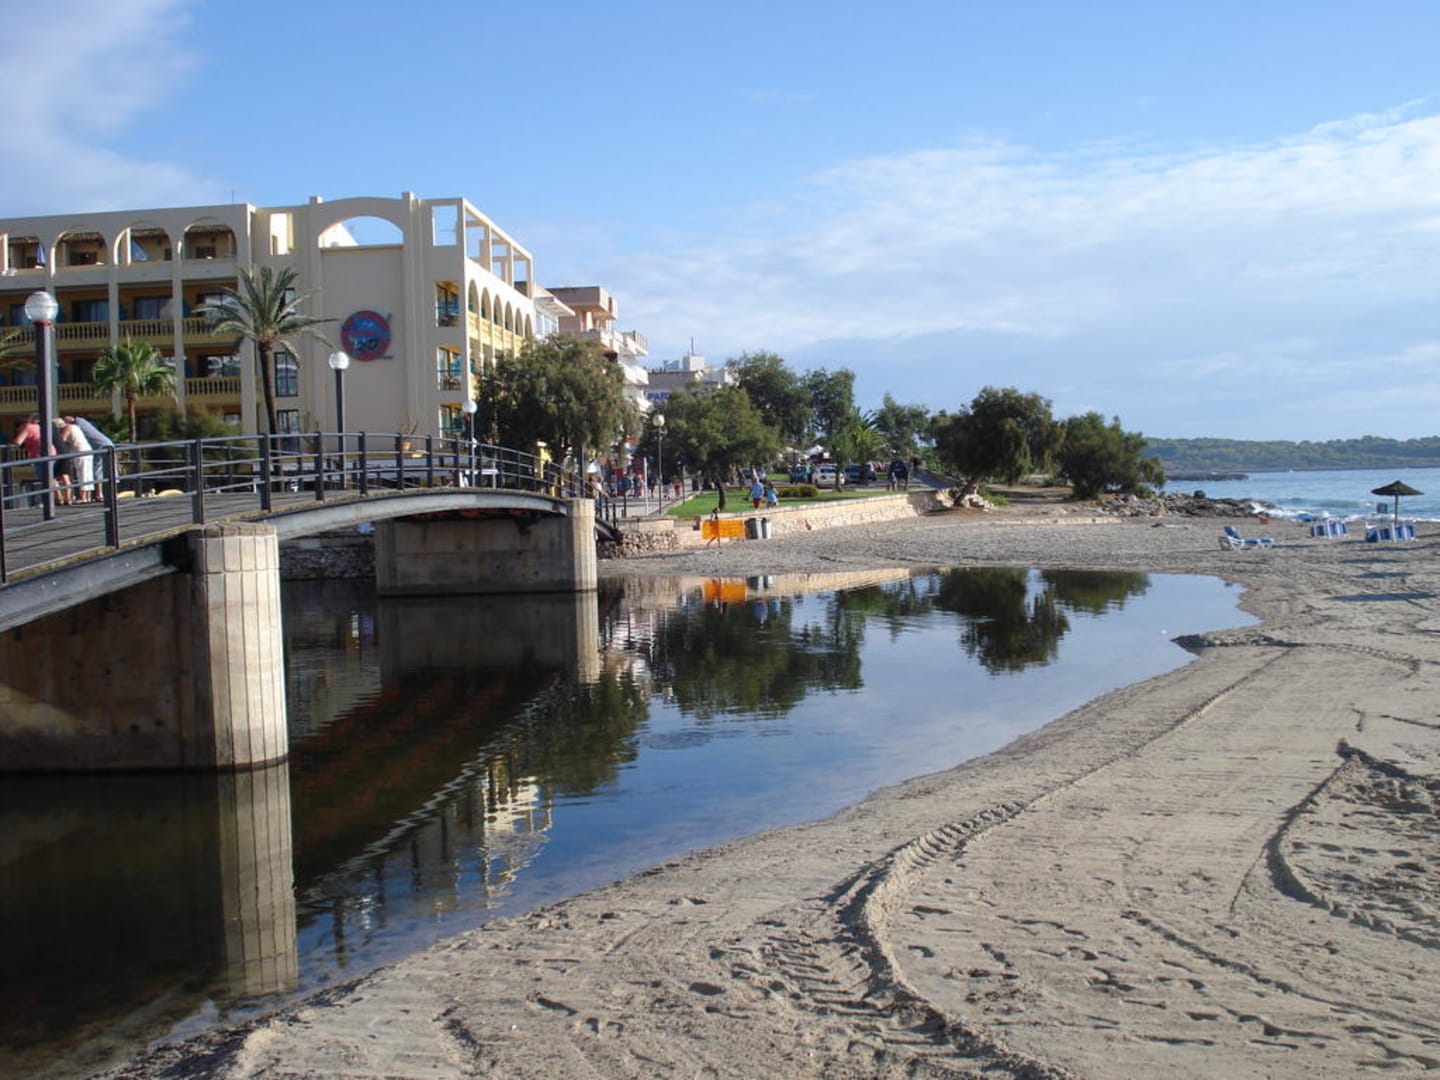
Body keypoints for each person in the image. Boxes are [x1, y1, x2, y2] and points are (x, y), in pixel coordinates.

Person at [69, 415, 114, 498]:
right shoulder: (84, 423)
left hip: (100, 447)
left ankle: (99, 494)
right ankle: (106, 494)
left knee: (97, 470)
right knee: (108, 471)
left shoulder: (76, 425)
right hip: (106, 445)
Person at [53, 417, 93, 504]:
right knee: (87, 474)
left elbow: (62, 440)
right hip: (86, 450)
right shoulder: (74, 426)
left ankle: (83, 497)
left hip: (80, 451)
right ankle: (87, 496)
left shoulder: (67, 428)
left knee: (82, 474)